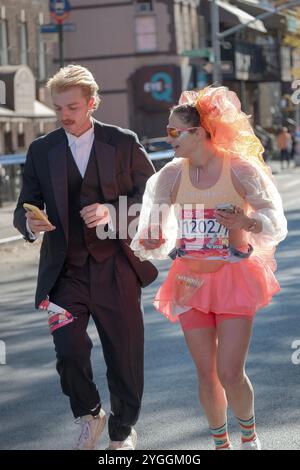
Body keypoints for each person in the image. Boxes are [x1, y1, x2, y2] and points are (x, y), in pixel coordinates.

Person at [131, 86, 287, 450]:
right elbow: (153, 232)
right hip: (188, 278)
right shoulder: (170, 175)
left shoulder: (240, 169)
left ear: (198, 133)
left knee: (230, 372)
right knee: (207, 375)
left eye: (174, 132)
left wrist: (245, 223)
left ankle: (249, 437)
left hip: (233, 277)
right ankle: (221, 444)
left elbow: (273, 219)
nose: (168, 137)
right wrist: (154, 240)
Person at [13, 65, 157, 450]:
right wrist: (30, 223)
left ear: (92, 102)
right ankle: (91, 414)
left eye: (72, 107)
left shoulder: (123, 142)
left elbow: (155, 199)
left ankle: (122, 432)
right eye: (59, 107)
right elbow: (23, 207)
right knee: (68, 350)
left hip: (117, 267)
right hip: (65, 271)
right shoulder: (41, 150)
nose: (64, 115)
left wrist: (113, 211)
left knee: (124, 357)